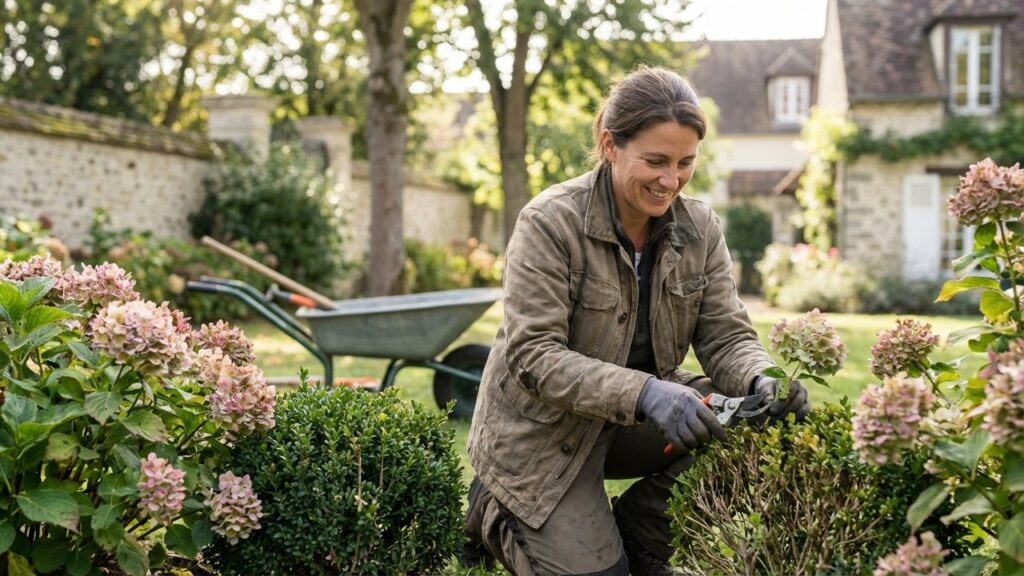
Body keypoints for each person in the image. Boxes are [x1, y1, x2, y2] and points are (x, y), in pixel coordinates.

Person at [462, 66, 810, 576]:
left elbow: (726, 335)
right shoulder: (549, 223)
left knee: (753, 424)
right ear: (610, 144)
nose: (671, 181)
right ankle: (494, 506)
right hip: (540, 440)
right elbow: (534, 356)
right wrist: (647, 392)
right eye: (655, 161)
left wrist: (764, 378)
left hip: (633, 424)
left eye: (685, 163)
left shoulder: (700, 228)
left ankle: (637, 535)